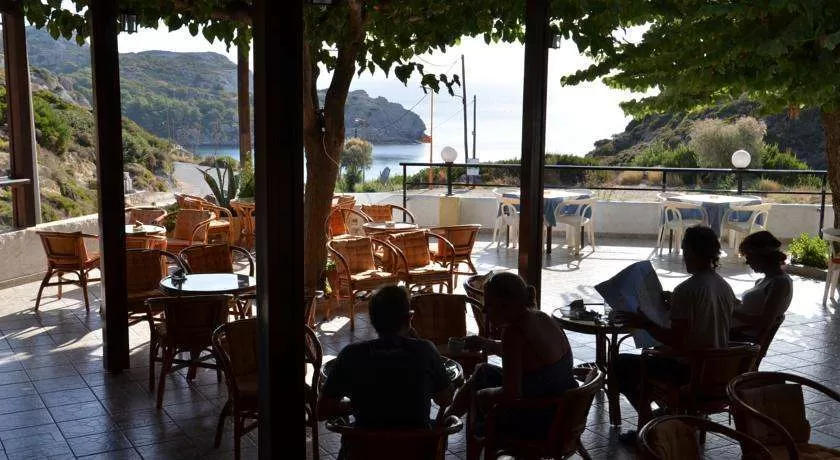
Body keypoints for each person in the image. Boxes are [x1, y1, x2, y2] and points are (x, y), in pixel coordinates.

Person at [612, 225, 737, 441]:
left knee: (619, 365)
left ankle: (650, 427)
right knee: (645, 359)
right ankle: (663, 419)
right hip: (718, 370)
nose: (683, 257)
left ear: (692, 252)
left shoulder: (686, 290)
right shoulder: (724, 286)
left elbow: (677, 341)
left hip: (689, 370)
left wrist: (644, 323)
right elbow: (704, 320)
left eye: (685, 251)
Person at [445, 272, 577, 438]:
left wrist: (482, 395)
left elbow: (511, 394)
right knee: (483, 372)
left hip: (542, 418)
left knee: (477, 394)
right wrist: (487, 343)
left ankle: (447, 430)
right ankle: (446, 422)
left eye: (489, 304)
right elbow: (527, 355)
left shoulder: (513, 333)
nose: (484, 310)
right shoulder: (541, 317)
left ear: (506, 304)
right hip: (566, 409)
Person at [318, 284, 454, 429]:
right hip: (417, 442)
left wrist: (360, 405)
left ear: (372, 320)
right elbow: (445, 399)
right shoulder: (425, 351)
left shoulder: (351, 355)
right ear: (409, 318)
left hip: (365, 443)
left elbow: (322, 411)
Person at [730, 230, 792, 341]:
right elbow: (753, 308)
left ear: (760, 256)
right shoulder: (765, 281)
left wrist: (731, 312)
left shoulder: (779, 283)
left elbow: (764, 322)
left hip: (739, 338)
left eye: (749, 257)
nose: (747, 262)